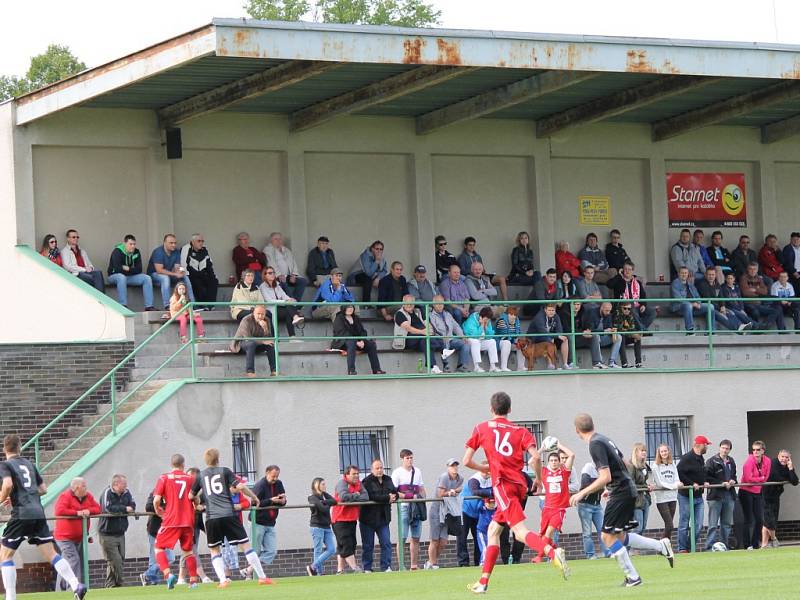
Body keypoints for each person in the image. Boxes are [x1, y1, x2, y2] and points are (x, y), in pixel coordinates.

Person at [463, 392, 567, 594]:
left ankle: (552, 553)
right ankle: (483, 582)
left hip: (502, 484)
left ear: (491, 409)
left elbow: (466, 461)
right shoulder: (521, 431)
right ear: (509, 410)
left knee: (519, 532)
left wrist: (485, 469)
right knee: (493, 530)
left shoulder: (481, 428)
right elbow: (536, 457)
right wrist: (537, 479)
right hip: (519, 485)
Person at [570, 413, 673, 588]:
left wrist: (582, 493)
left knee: (606, 536)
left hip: (621, 491)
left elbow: (606, 475)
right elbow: (625, 463)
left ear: (577, 431)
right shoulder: (604, 439)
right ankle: (661, 546)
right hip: (625, 489)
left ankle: (633, 577)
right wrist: (613, 486)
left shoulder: (594, 444)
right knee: (620, 536)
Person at [0, 434, 87, 599]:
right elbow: (43, 489)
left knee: (4, 556)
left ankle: (10, 597)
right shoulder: (30, 464)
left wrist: (3, 498)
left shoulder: (5, 465)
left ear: (4, 449)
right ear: (20, 447)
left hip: (21, 514)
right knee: (52, 554)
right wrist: (23, 495)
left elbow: (8, 484)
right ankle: (76, 585)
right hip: (38, 513)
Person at [190, 448, 269, 587]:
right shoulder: (225, 471)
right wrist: (254, 497)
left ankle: (223, 581)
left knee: (215, 550)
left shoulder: (200, 476)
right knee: (245, 546)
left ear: (205, 460)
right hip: (229, 514)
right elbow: (241, 487)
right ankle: (262, 577)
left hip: (212, 517)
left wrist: (197, 503)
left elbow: (191, 496)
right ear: (218, 459)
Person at [152, 454, 199, 589]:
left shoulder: (164, 477)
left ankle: (168, 575)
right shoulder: (190, 479)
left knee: (158, 547)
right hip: (188, 521)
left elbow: (156, 500)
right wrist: (197, 505)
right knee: (188, 552)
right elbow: (195, 499)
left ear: (171, 464)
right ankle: (194, 581)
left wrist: (158, 510)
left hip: (171, 520)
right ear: (183, 465)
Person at [53, 477, 101, 590]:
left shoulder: (88, 496)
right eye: (84, 485)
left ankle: (60, 589)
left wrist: (89, 511)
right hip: (64, 537)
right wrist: (77, 513)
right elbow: (59, 511)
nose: (86, 487)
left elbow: (98, 509)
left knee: (66, 563)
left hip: (80, 537)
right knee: (74, 560)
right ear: (76, 487)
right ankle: (74, 587)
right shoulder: (65, 496)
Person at [534, 443, 575, 562]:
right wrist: (542, 448)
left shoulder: (564, 472)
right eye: (551, 460)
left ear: (559, 461)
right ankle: (556, 551)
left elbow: (571, 455)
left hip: (559, 509)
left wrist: (559, 445)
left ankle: (539, 556)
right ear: (548, 462)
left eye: (556, 460)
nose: (553, 462)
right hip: (547, 508)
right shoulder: (544, 472)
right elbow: (532, 460)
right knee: (542, 535)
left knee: (549, 532)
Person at [97, 473, 136, 587]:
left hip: (120, 532)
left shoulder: (127, 492)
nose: (126, 485)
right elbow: (109, 508)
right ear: (115, 484)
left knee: (118, 560)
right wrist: (125, 509)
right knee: (116, 560)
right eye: (123, 483)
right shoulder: (107, 493)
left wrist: (127, 509)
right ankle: (121, 583)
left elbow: (132, 505)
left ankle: (110, 585)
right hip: (107, 534)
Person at [391, 449, 426, 570]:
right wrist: (408, 496)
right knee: (402, 537)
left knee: (416, 537)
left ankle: (414, 565)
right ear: (402, 459)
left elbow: (421, 488)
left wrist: (422, 499)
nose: (410, 460)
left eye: (411, 458)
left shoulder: (417, 472)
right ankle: (401, 565)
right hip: (404, 508)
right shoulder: (397, 473)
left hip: (416, 507)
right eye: (407, 458)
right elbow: (394, 492)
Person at [249, 465, 286, 579]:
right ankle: (251, 575)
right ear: (267, 473)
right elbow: (254, 503)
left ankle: (249, 570)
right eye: (273, 476)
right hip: (258, 522)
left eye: (277, 476)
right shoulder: (260, 485)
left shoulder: (279, 484)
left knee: (271, 551)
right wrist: (271, 500)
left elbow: (283, 500)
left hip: (271, 522)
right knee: (256, 550)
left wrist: (282, 501)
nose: (275, 478)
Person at [360, 459, 397, 573]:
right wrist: (387, 498)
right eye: (377, 468)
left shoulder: (388, 479)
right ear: (372, 470)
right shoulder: (366, 481)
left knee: (386, 543)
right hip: (368, 519)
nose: (380, 470)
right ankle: (367, 568)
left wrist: (394, 497)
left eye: (381, 467)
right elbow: (371, 496)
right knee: (368, 545)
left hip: (383, 518)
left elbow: (395, 492)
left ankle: (386, 566)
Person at [426, 459, 464, 570]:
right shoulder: (444, 477)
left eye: (456, 465)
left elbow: (459, 489)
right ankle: (432, 564)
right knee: (434, 539)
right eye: (452, 466)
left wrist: (455, 491)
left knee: (443, 541)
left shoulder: (460, 478)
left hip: (448, 512)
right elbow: (440, 494)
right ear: (448, 467)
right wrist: (450, 492)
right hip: (437, 511)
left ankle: (431, 562)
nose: (454, 468)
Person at [331, 465, 367, 574]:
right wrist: (356, 495)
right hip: (340, 519)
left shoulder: (359, 484)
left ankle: (340, 570)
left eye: (357, 474)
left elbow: (366, 497)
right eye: (354, 474)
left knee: (347, 544)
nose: (356, 476)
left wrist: (354, 495)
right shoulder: (342, 483)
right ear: (347, 475)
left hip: (352, 519)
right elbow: (343, 497)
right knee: (346, 544)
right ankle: (355, 568)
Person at [676, 435, 710, 552]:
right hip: (686, 495)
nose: (707, 447)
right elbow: (679, 472)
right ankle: (682, 549)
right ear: (700, 445)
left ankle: (691, 548)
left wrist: (704, 481)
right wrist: (691, 483)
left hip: (698, 496)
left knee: (699, 524)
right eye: (706, 445)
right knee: (684, 522)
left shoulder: (701, 458)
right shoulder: (687, 458)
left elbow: (701, 473)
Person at [332, 303, 385, 375]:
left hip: (356, 341)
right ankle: (351, 370)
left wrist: (362, 340)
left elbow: (362, 331)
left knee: (371, 344)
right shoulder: (339, 318)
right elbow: (343, 333)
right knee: (351, 343)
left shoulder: (355, 318)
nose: (350, 309)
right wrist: (357, 342)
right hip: (343, 342)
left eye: (351, 307)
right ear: (344, 308)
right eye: (348, 307)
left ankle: (376, 369)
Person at [705, 439, 738, 550]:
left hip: (729, 495)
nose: (724, 450)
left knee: (726, 524)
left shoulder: (731, 461)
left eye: (727, 448)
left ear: (729, 450)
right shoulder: (712, 461)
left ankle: (724, 546)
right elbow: (707, 477)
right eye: (723, 448)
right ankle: (709, 547)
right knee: (713, 524)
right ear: (719, 448)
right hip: (715, 496)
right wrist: (721, 483)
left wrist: (733, 481)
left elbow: (734, 475)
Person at [394, 295, 443, 370]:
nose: (409, 305)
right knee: (428, 338)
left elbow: (426, 322)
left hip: (420, 338)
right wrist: (423, 332)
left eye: (411, 303)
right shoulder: (399, 314)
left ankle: (433, 366)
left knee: (427, 342)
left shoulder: (418, 311)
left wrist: (429, 330)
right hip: (407, 339)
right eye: (407, 303)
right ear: (403, 303)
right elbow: (408, 328)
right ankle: (443, 350)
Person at [106, 234, 155, 310]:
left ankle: (149, 306)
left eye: (134, 244)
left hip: (128, 277)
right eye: (130, 244)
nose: (133, 246)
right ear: (125, 243)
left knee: (147, 278)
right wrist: (131, 270)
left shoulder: (136, 252)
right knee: (121, 277)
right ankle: (123, 305)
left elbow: (139, 269)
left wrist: (128, 269)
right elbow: (118, 269)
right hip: (114, 276)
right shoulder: (117, 251)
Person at [762, 448, 798, 548]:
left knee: (768, 521)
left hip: (776, 496)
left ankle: (764, 545)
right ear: (778, 456)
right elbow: (775, 476)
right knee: (769, 519)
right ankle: (774, 539)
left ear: (789, 458)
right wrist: (787, 478)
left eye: (786, 457)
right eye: (782, 457)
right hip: (766, 495)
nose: (784, 459)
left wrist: (791, 469)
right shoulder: (773, 463)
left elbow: (795, 481)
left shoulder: (787, 466)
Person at [148, 234, 194, 311]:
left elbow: (177, 267)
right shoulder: (158, 252)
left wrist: (181, 271)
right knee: (165, 278)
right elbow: (159, 270)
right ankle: (168, 305)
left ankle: (192, 303)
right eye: (171, 243)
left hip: (168, 275)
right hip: (155, 276)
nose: (174, 245)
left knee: (185, 277)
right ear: (164, 243)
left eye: (175, 243)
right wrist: (175, 274)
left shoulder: (176, 252)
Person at [697, 265, 750, 332]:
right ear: (705, 275)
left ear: (715, 275)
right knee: (722, 316)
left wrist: (722, 306)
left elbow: (720, 296)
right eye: (709, 274)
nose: (711, 276)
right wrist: (720, 309)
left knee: (730, 312)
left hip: (716, 307)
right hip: (708, 307)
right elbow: (708, 299)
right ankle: (737, 329)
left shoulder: (716, 284)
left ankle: (740, 326)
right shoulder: (702, 284)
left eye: (713, 274)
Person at [607, 261, 656, 332]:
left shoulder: (637, 282)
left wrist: (643, 305)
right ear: (622, 270)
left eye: (629, 269)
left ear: (633, 271)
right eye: (625, 269)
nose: (627, 271)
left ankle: (639, 328)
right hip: (623, 306)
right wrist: (619, 275)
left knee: (652, 312)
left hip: (637, 305)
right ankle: (642, 329)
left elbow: (643, 295)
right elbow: (609, 284)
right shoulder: (619, 281)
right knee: (631, 308)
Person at [457, 471, 493, 567]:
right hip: (465, 509)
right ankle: (463, 562)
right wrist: (490, 492)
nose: (487, 473)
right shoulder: (475, 479)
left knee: (478, 537)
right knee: (462, 536)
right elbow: (475, 491)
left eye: (489, 471)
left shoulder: (491, 479)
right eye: (485, 471)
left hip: (477, 512)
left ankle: (479, 561)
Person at [229, 305, 276, 377]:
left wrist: (265, 328)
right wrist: (263, 342)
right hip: (241, 344)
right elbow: (247, 338)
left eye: (262, 314)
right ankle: (250, 371)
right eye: (258, 314)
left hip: (257, 344)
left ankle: (274, 371)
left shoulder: (267, 320)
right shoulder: (246, 320)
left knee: (270, 345)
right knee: (251, 344)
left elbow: (268, 339)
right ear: (254, 313)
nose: (260, 316)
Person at [740, 440, 771, 550]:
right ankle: (747, 544)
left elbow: (766, 477)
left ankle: (755, 543)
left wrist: (758, 479)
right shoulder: (749, 461)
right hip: (746, 491)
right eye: (753, 450)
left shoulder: (767, 461)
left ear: (763, 450)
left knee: (759, 519)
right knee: (748, 519)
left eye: (758, 450)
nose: (755, 452)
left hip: (757, 492)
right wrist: (760, 479)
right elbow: (748, 479)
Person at [259, 266, 304, 338]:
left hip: (281, 307)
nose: (273, 274)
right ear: (265, 275)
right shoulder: (262, 287)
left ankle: (292, 336)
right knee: (288, 309)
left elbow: (284, 295)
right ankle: (295, 318)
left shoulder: (277, 284)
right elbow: (269, 301)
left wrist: (290, 299)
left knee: (289, 310)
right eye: (270, 273)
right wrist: (285, 301)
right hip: (271, 309)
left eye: (273, 273)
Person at [577, 462, 609, 559]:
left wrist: (605, 491)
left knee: (603, 530)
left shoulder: (604, 469)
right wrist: (601, 488)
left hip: (597, 505)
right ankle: (590, 555)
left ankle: (608, 552)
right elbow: (585, 486)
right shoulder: (588, 468)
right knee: (587, 533)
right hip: (585, 505)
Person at [263, 232, 308, 302]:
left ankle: (296, 302)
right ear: (271, 241)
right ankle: (293, 304)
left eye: (280, 239)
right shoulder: (268, 249)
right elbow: (271, 263)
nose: (278, 241)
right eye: (276, 239)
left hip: (289, 276)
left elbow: (294, 263)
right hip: (277, 276)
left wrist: (294, 274)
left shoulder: (287, 250)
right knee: (283, 283)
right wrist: (278, 274)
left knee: (303, 281)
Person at [430, 295, 470, 373]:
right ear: (433, 304)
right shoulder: (430, 315)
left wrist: (462, 336)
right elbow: (434, 329)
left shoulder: (447, 314)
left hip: (451, 339)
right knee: (444, 343)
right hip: (440, 339)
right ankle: (446, 366)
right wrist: (442, 337)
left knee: (465, 344)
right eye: (438, 303)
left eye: (441, 303)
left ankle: (461, 366)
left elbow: (456, 326)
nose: (440, 305)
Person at [741, 261, 785, 331]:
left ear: (757, 270)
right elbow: (745, 292)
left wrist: (754, 289)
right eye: (750, 269)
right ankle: (762, 328)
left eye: (754, 269)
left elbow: (765, 291)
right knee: (755, 312)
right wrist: (758, 289)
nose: (752, 271)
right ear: (747, 269)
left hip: (759, 304)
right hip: (749, 304)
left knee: (778, 309)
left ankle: (769, 328)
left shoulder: (759, 278)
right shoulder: (744, 278)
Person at [306, 477, 337, 575]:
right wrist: (325, 504)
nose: (325, 486)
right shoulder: (312, 497)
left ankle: (313, 567)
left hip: (327, 526)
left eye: (324, 484)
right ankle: (319, 572)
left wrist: (324, 502)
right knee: (318, 550)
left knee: (332, 549)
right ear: (317, 485)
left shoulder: (324, 495)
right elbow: (323, 509)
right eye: (323, 484)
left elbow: (334, 501)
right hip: (317, 526)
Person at [529, 303, 572, 369]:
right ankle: (551, 365)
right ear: (545, 310)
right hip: (535, 338)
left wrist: (558, 335)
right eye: (549, 310)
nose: (551, 312)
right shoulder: (539, 317)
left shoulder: (556, 316)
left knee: (565, 338)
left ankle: (565, 364)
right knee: (549, 339)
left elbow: (560, 330)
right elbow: (542, 332)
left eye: (553, 310)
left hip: (548, 336)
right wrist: (556, 336)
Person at [651, 444, 679, 542]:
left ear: (668, 452)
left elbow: (677, 479)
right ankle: (661, 546)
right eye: (662, 451)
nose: (664, 453)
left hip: (673, 497)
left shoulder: (672, 464)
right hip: (661, 498)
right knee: (670, 525)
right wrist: (673, 486)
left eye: (665, 451)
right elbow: (659, 483)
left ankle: (666, 547)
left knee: (669, 526)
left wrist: (675, 485)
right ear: (659, 453)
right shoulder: (655, 466)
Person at [180, 234, 219, 308]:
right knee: (197, 282)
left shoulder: (204, 250)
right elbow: (182, 264)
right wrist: (185, 275)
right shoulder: (186, 248)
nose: (201, 243)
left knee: (214, 281)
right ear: (193, 242)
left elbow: (209, 264)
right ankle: (203, 305)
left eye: (202, 241)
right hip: (190, 274)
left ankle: (211, 305)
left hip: (202, 273)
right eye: (199, 241)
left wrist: (213, 276)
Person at [463, 306, 503, 372]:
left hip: (481, 341)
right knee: (475, 341)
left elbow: (490, 336)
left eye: (488, 319)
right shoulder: (472, 319)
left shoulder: (487, 321)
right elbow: (474, 335)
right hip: (470, 341)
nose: (487, 320)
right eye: (486, 319)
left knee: (492, 341)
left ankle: (493, 367)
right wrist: (481, 325)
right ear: (481, 316)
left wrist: (486, 327)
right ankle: (476, 367)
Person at [583, 301, 622, 369]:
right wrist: (604, 331)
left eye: (609, 311)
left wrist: (611, 331)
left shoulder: (608, 314)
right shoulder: (592, 313)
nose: (608, 313)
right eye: (606, 310)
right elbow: (590, 330)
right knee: (596, 335)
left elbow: (609, 326)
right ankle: (597, 362)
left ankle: (612, 362)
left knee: (619, 337)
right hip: (591, 338)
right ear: (601, 308)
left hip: (602, 338)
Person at [627, 443, 653, 535]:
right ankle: (628, 548)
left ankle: (635, 548)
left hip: (645, 499)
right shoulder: (631, 465)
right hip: (635, 501)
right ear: (636, 452)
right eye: (642, 450)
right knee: (637, 528)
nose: (644, 452)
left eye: (645, 451)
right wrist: (645, 487)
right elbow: (631, 484)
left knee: (643, 527)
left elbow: (643, 482)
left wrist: (648, 486)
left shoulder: (644, 465)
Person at [671, 266, 704, 334]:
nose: (684, 274)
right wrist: (692, 304)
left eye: (685, 273)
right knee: (687, 305)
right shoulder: (675, 283)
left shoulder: (690, 284)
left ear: (688, 274)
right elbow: (678, 299)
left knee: (710, 307)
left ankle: (711, 331)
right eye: (682, 273)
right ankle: (690, 331)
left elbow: (698, 296)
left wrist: (698, 303)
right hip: (679, 307)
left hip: (693, 307)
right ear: (678, 274)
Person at [494, 306, 525, 371]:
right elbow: (504, 335)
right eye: (511, 314)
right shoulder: (502, 320)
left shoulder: (517, 320)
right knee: (507, 342)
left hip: (511, 341)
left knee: (522, 344)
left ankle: (521, 367)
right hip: (499, 342)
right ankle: (503, 367)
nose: (513, 316)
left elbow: (519, 332)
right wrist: (515, 339)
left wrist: (517, 341)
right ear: (507, 314)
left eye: (515, 315)